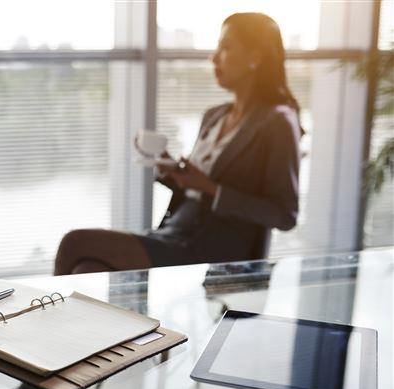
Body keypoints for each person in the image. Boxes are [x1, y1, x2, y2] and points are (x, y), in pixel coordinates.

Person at [54, 12, 302, 275]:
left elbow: (284, 214)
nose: (214, 57)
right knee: (86, 267)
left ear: (255, 58)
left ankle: (35, 316)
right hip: (176, 233)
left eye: (226, 47)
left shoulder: (278, 122)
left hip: (213, 249)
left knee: (76, 243)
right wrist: (171, 170)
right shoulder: (214, 115)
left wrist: (210, 187)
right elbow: (194, 189)